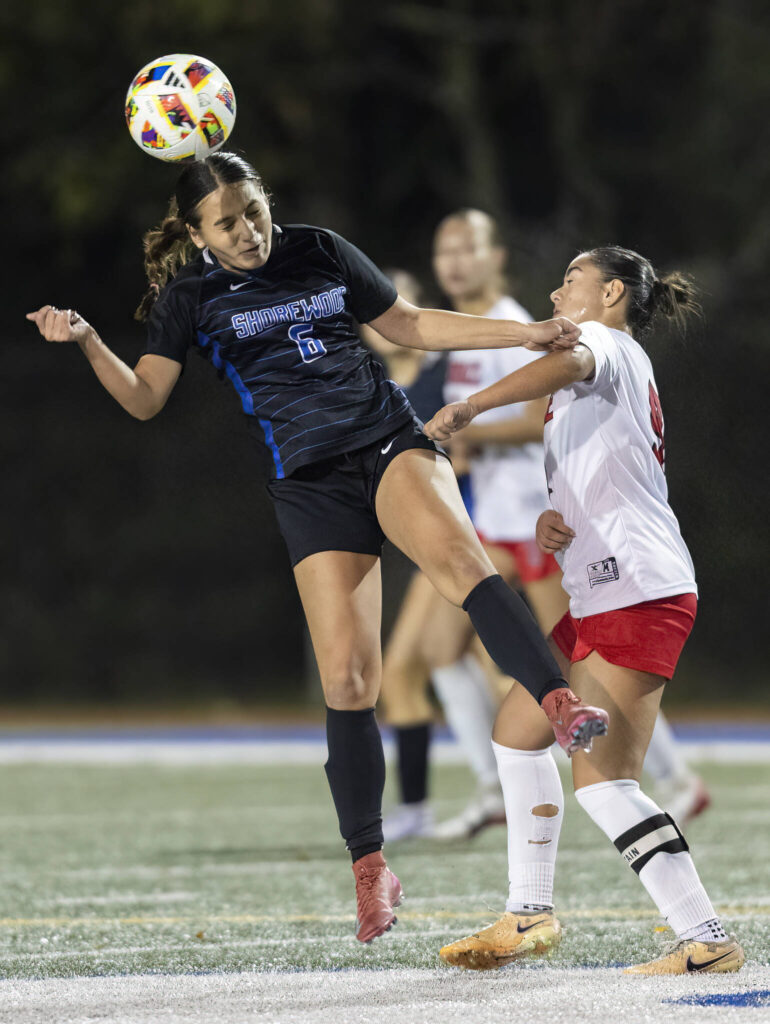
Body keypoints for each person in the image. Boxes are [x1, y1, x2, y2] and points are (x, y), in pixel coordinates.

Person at [26, 152, 608, 945]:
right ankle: (370, 867)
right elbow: (144, 399)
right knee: (348, 676)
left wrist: (525, 331)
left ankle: (558, 701)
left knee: (461, 569)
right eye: (226, 223)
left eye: (254, 211)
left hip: (386, 441)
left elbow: (405, 325)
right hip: (307, 483)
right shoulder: (189, 297)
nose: (248, 231)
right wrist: (90, 338)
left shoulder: (320, 250)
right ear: (198, 235)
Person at [428, 246, 743, 974]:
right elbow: (607, 470)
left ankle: (705, 938)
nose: (555, 289)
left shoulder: (601, 342)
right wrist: (552, 517)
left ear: (610, 294)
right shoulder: (607, 365)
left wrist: (473, 405)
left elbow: (566, 364)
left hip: (637, 585)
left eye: (570, 279)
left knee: (605, 783)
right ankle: (528, 913)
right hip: (604, 584)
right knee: (517, 729)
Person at [379, 211, 568, 842]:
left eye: (468, 249)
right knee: (450, 656)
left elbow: (537, 417)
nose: (455, 261)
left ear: (496, 255)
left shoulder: (501, 330)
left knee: (572, 654)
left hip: (521, 519)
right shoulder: (443, 347)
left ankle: (647, 773)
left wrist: (465, 429)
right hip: (482, 521)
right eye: (445, 250)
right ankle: (497, 786)